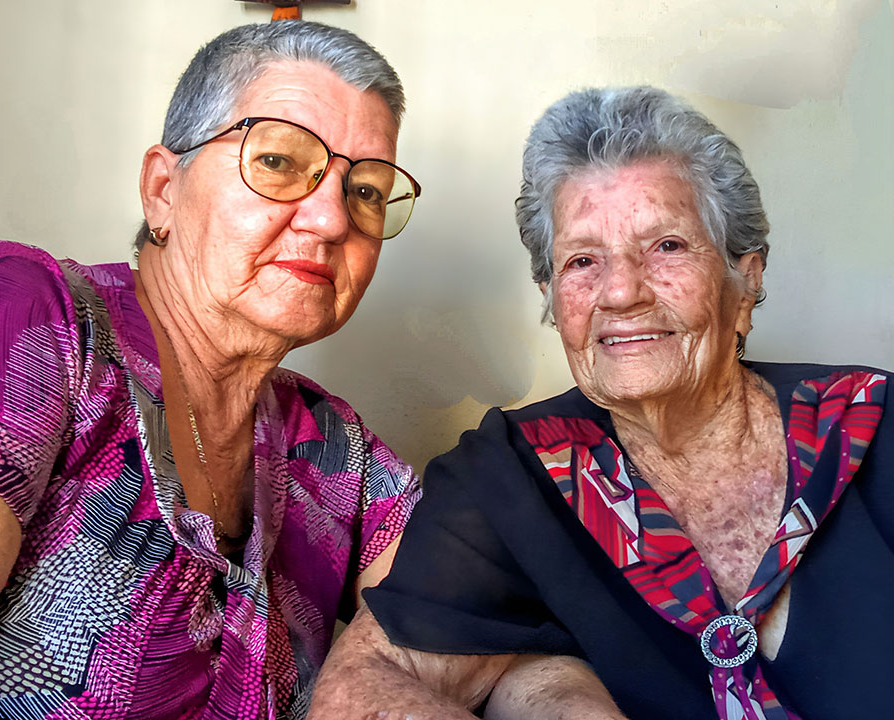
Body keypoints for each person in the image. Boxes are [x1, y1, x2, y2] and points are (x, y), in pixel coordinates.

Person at [0, 20, 423, 720]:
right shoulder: (20, 323)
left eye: (367, 191)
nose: (330, 219)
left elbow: (486, 598)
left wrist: (370, 676)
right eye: (280, 162)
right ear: (163, 189)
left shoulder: (331, 448)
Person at [308, 86, 892, 720]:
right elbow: (359, 687)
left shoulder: (872, 426)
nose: (620, 292)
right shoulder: (512, 474)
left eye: (667, 246)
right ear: (552, 298)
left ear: (744, 279)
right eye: (583, 260)